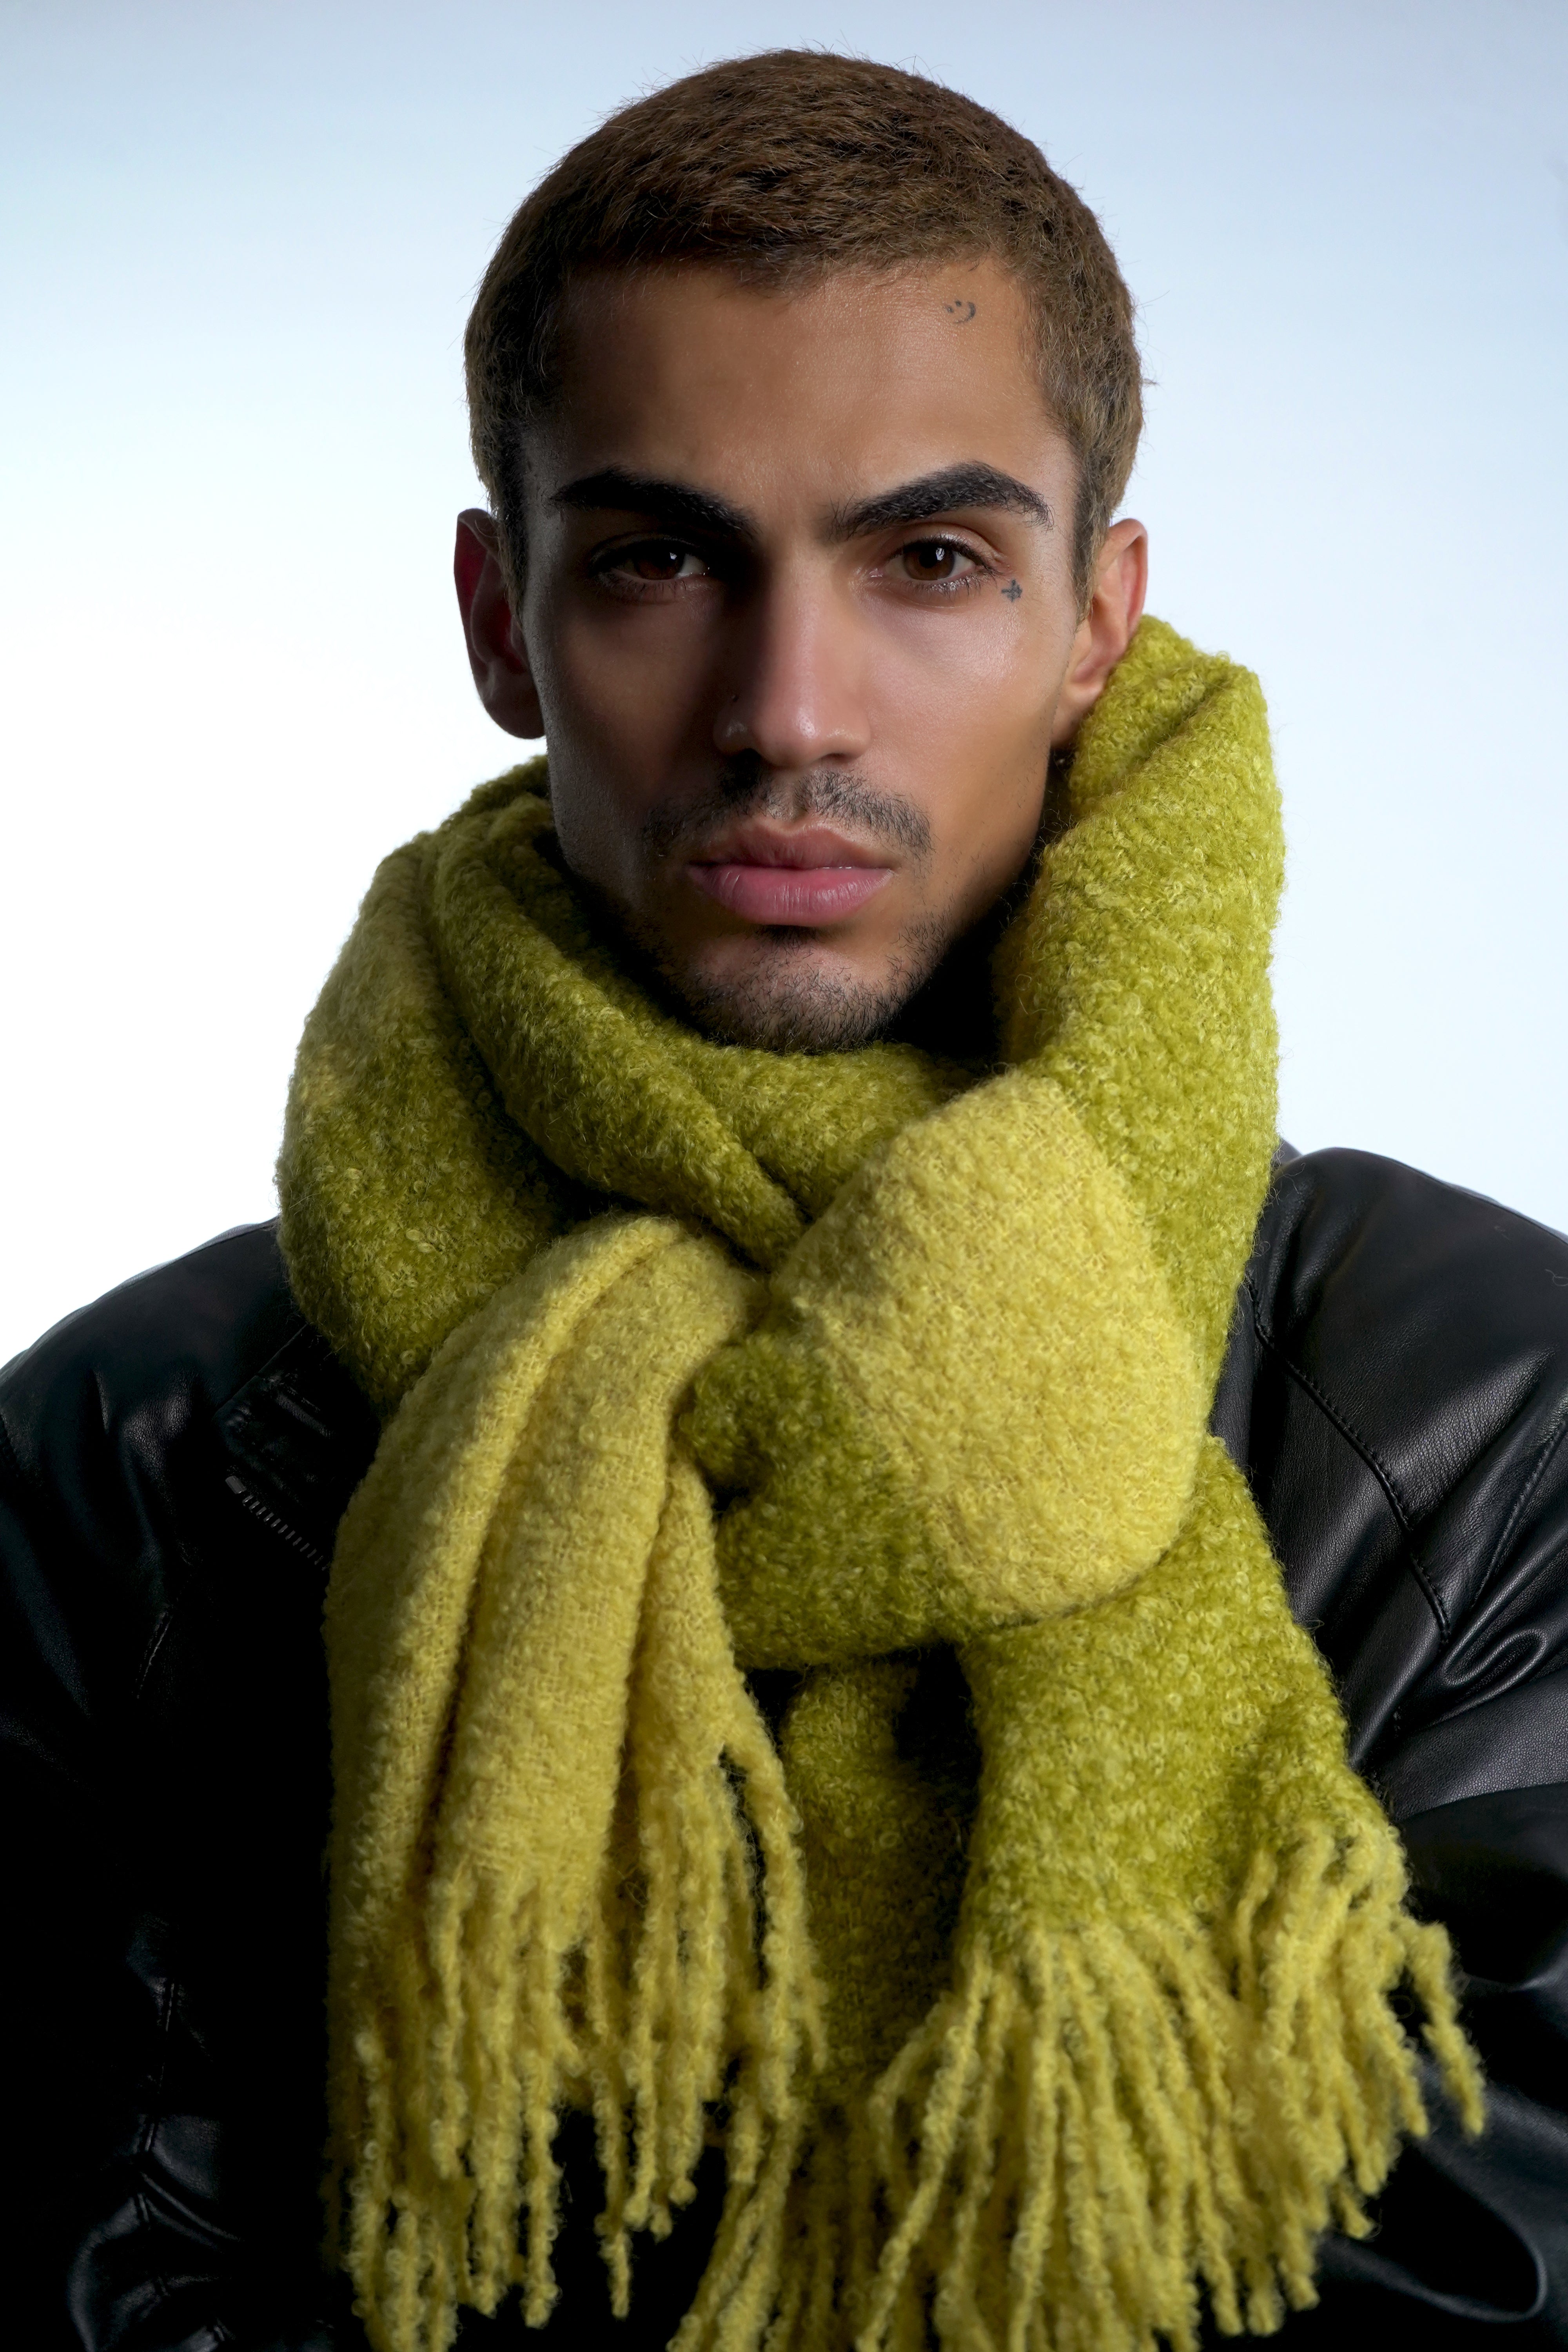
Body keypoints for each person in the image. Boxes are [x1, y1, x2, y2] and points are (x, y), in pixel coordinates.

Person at [5, 49, 1568, 2352]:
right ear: (502, 622)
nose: (788, 708)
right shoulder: (136, 1452)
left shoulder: (1484, 1420)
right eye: (657, 561)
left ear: (1095, 624)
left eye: (930, 561)